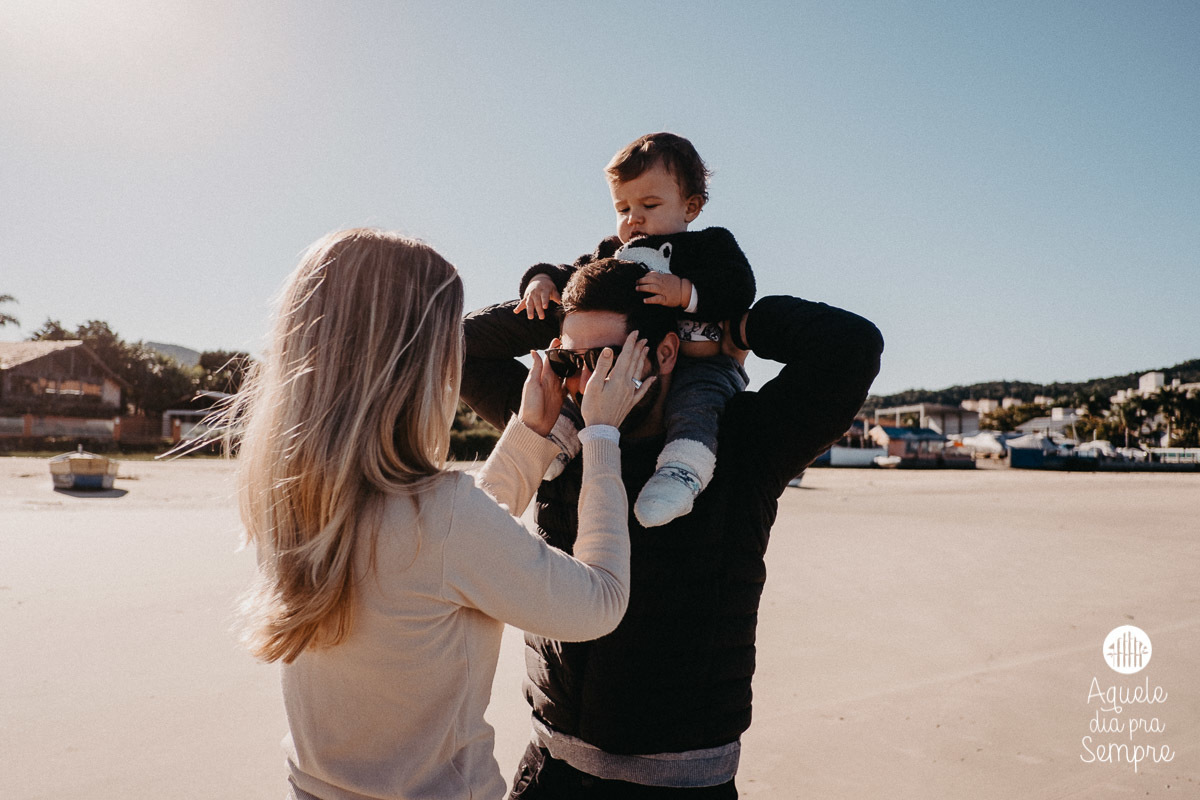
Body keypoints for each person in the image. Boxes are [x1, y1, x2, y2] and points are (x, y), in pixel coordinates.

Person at [232, 228, 656, 800]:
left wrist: (532, 435)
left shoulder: (293, 498)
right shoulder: (442, 517)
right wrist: (602, 435)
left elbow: (439, 555)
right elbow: (599, 601)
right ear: (416, 362)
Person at [461, 259, 884, 797]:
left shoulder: (741, 443)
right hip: (548, 765)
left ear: (664, 352)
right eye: (571, 360)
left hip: (681, 782)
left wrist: (734, 324)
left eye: (604, 359)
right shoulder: (557, 426)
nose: (585, 383)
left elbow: (852, 346)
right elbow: (461, 346)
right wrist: (556, 306)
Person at [515, 132, 755, 527]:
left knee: (697, 408)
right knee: (587, 378)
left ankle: (681, 471)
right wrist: (540, 279)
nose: (634, 218)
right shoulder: (614, 253)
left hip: (705, 365)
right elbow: (575, 276)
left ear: (691, 207)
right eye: (622, 207)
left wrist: (686, 292)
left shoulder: (709, 247)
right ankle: (558, 440)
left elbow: (739, 287)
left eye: (650, 205)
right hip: (641, 359)